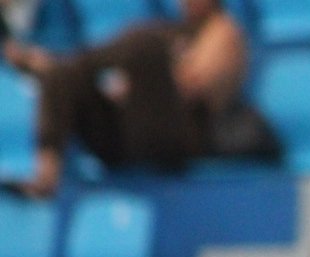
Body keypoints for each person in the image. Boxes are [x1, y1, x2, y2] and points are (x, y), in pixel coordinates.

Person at [3, 0, 247, 197]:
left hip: (184, 137)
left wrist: (142, 81)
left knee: (143, 44)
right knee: (61, 76)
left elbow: (193, 86)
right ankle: (47, 172)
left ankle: (64, 63)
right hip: (131, 134)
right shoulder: (170, 29)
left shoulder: (222, 30)